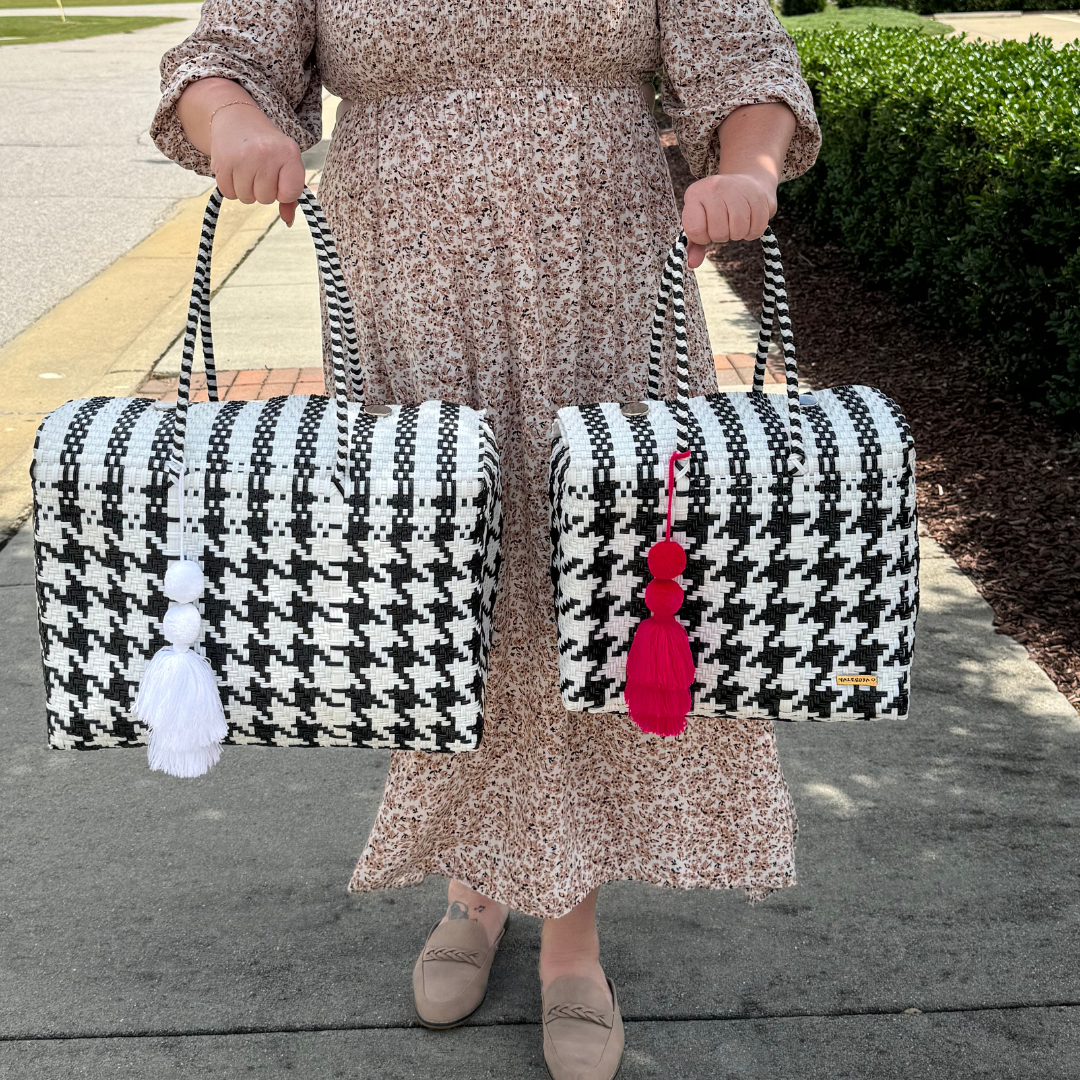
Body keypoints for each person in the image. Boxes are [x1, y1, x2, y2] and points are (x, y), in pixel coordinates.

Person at [152, 2, 819, 1076]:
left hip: (606, 275)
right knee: (453, 587)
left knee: (596, 584)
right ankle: (479, 876)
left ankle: (571, 930)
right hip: (407, 284)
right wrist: (236, 128)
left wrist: (748, 165)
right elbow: (223, 55)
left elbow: (744, 57)